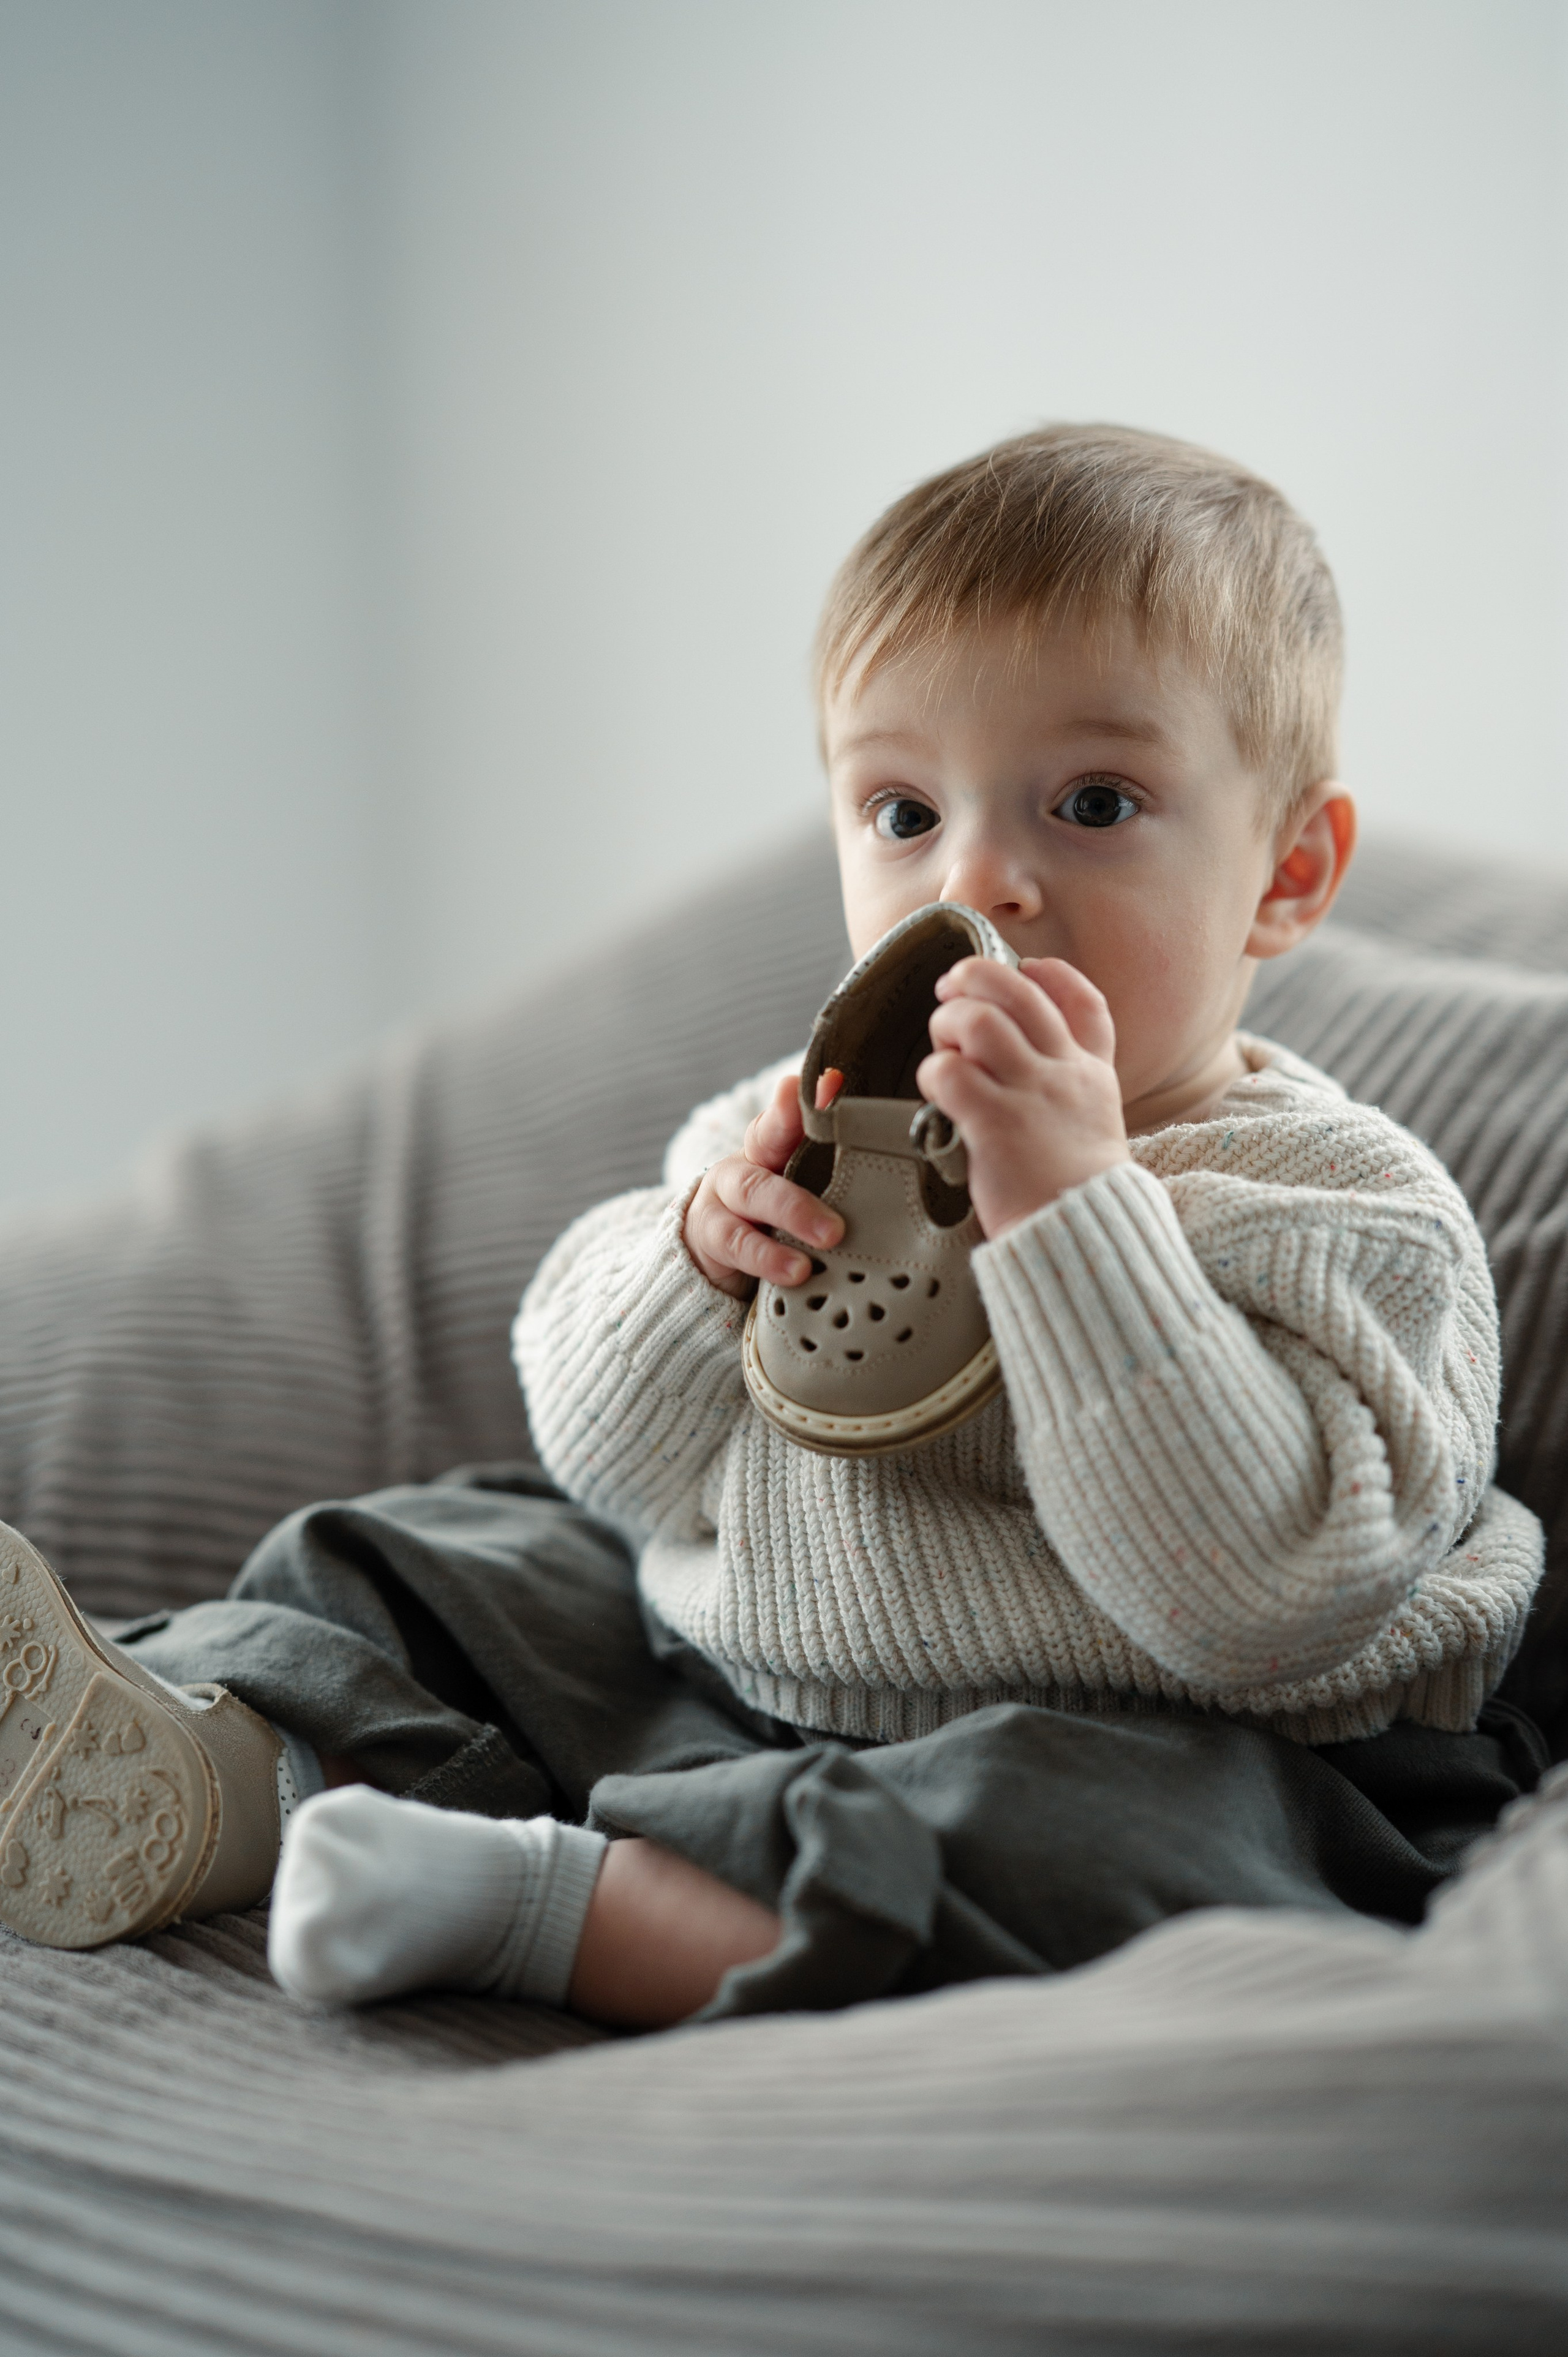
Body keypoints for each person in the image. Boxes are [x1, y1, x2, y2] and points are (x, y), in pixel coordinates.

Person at [0, 426, 1545, 2026]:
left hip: (1185, 1748)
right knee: (443, 1551)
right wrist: (692, 1263)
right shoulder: (800, 1127)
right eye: (903, 812)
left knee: (1088, 1832)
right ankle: (219, 1772)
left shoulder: (1347, 1210)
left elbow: (1259, 1596)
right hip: (746, 1682)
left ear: (1288, 873)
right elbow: (615, 1466)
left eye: (1094, 802)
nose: (978, 878)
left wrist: (1079, 1216)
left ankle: (551, 1907)